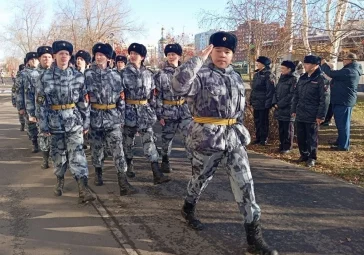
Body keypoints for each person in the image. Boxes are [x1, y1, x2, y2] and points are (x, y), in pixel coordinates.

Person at [171, 31, 278, 255]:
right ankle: (188, 207)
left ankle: (254, 238)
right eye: (218, 51)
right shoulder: (200, 75)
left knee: (245, 185)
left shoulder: (236, 77)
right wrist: (197, 59)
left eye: (227, 52)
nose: (223, 55)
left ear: (232, 54)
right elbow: (178, 86)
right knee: (200, 179)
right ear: (212, 52)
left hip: (233, 139)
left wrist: (240, 131)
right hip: (207, 139)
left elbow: (238, 110)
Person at [36, 40, 95, 203]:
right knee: (58, 155)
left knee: (77, 154)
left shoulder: (77, 76)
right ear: (55, 56)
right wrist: (43, 125)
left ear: (70, 57)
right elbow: (40, 103)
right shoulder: (44, 77)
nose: (63, 56)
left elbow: (83, 102)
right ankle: (60, 179)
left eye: (66, 54)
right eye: (60, 53)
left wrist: (85, 122)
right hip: (54, 122)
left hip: (73, 121)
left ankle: (83, 188)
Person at [85, 42, 137, 195]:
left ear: (108, 58)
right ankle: (98, 172)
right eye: (97, 55)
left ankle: (123, 182)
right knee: (96, 148)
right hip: (95, 116)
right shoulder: (87, 75)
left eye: (102, 55)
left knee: (118, 150)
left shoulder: (115, 75)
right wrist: (85, 121)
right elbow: (84, 99)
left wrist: (121, 118)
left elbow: (121, 98)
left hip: (112, 118)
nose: (99, 57)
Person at [121, 42, 171, 184]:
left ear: (142, 57)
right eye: (131, 53)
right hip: (128, 111)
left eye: (136, 54)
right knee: (128, 142)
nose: (132, 56)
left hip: (144, 112)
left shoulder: (149, 74)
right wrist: (119, 117)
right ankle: (129, 165)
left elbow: (152, 97)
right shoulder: (122, 74)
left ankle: (156, 173)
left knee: (149, 141)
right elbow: (120, 97)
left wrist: (158, 114)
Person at [154, 43, 192, 172]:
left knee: (190, 137)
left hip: (184, 111)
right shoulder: (160, 75)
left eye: (173, 54)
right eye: (169, 54)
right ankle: (165, 160)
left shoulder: (186, 73)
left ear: (179, 55)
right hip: (168, 111)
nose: (171, 57)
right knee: (166, 140)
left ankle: (194, 163)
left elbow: (192, 93)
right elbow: (157, 95)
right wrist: (160, 114)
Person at [291, 55, 330, 167]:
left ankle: (312, 157)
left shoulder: (321, 79)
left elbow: (325, 99)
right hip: (301, 111)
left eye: (307, 64)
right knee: (301, 135)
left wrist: (321, 116)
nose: (305, 65)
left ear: (315, 65)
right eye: (305, 63)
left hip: (313, 113)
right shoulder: (303, 77)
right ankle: (303, 155)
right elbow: (296, 94)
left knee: (311, 136)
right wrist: (294, 109)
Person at [321, 53, 363, 151]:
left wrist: (324, 64)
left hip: (343, 101)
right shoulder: (349, 70)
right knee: (341, 124)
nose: (343, 61)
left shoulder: (349, 71)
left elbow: (332, 74)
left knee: (343, 125)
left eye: (345, 59)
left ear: (350, 60)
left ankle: (343, 145)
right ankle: (341, 141)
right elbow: (336, 76)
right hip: (342, 100)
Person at [26, 46, 53, 169]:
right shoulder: (33, 75)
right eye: (44, 57)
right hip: (40, 110)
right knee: (43, 135)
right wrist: (31, 113)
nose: (46, 59)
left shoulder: (56, 72)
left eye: (48, 57)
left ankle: (56, 159)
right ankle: (45, 158)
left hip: (55, 111)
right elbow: (29, 95)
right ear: (39, 59)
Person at [16, 52, 40, 153]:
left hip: (41, 104)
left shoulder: (43, 72)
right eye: (31, 59)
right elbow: (19, 91)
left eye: (35, 59)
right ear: (28, 62)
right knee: (31, 126)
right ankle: (34, 143)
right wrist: (20, 107)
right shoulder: (23, 74)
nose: (34, 61)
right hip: (29, 105)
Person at [272, 61, 297, 154]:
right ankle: (282, 145)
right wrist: (274, 102)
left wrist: (280, 104)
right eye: (281, 68)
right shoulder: (281, 78)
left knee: (288, 129)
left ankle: (287, 146)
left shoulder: (293, 79)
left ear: (289, 69)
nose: (281, 70)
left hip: (288, 108)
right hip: (279, 108)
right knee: (281, 128)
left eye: (283, 68)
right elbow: (276, 91)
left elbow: (292, 95)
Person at [250, 56, 275, 145]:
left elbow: (270, 90)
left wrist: (268, 103)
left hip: (264, 102)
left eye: (259, 63)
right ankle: (258, 137)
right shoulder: (257, 74)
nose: (257, 64)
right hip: (256, 102)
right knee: (257, 121)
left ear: (263, 64)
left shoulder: (268, 74)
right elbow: (253, 89)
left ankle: (263, 139)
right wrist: (251, 100)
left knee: (263, 121)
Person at [11, 64, 26, 131]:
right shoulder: (18, 78)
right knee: (21, 112)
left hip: (25, 98)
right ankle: (22, 124)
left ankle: (24, 123)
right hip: (19, 98)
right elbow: (14, 91)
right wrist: (14, 101)